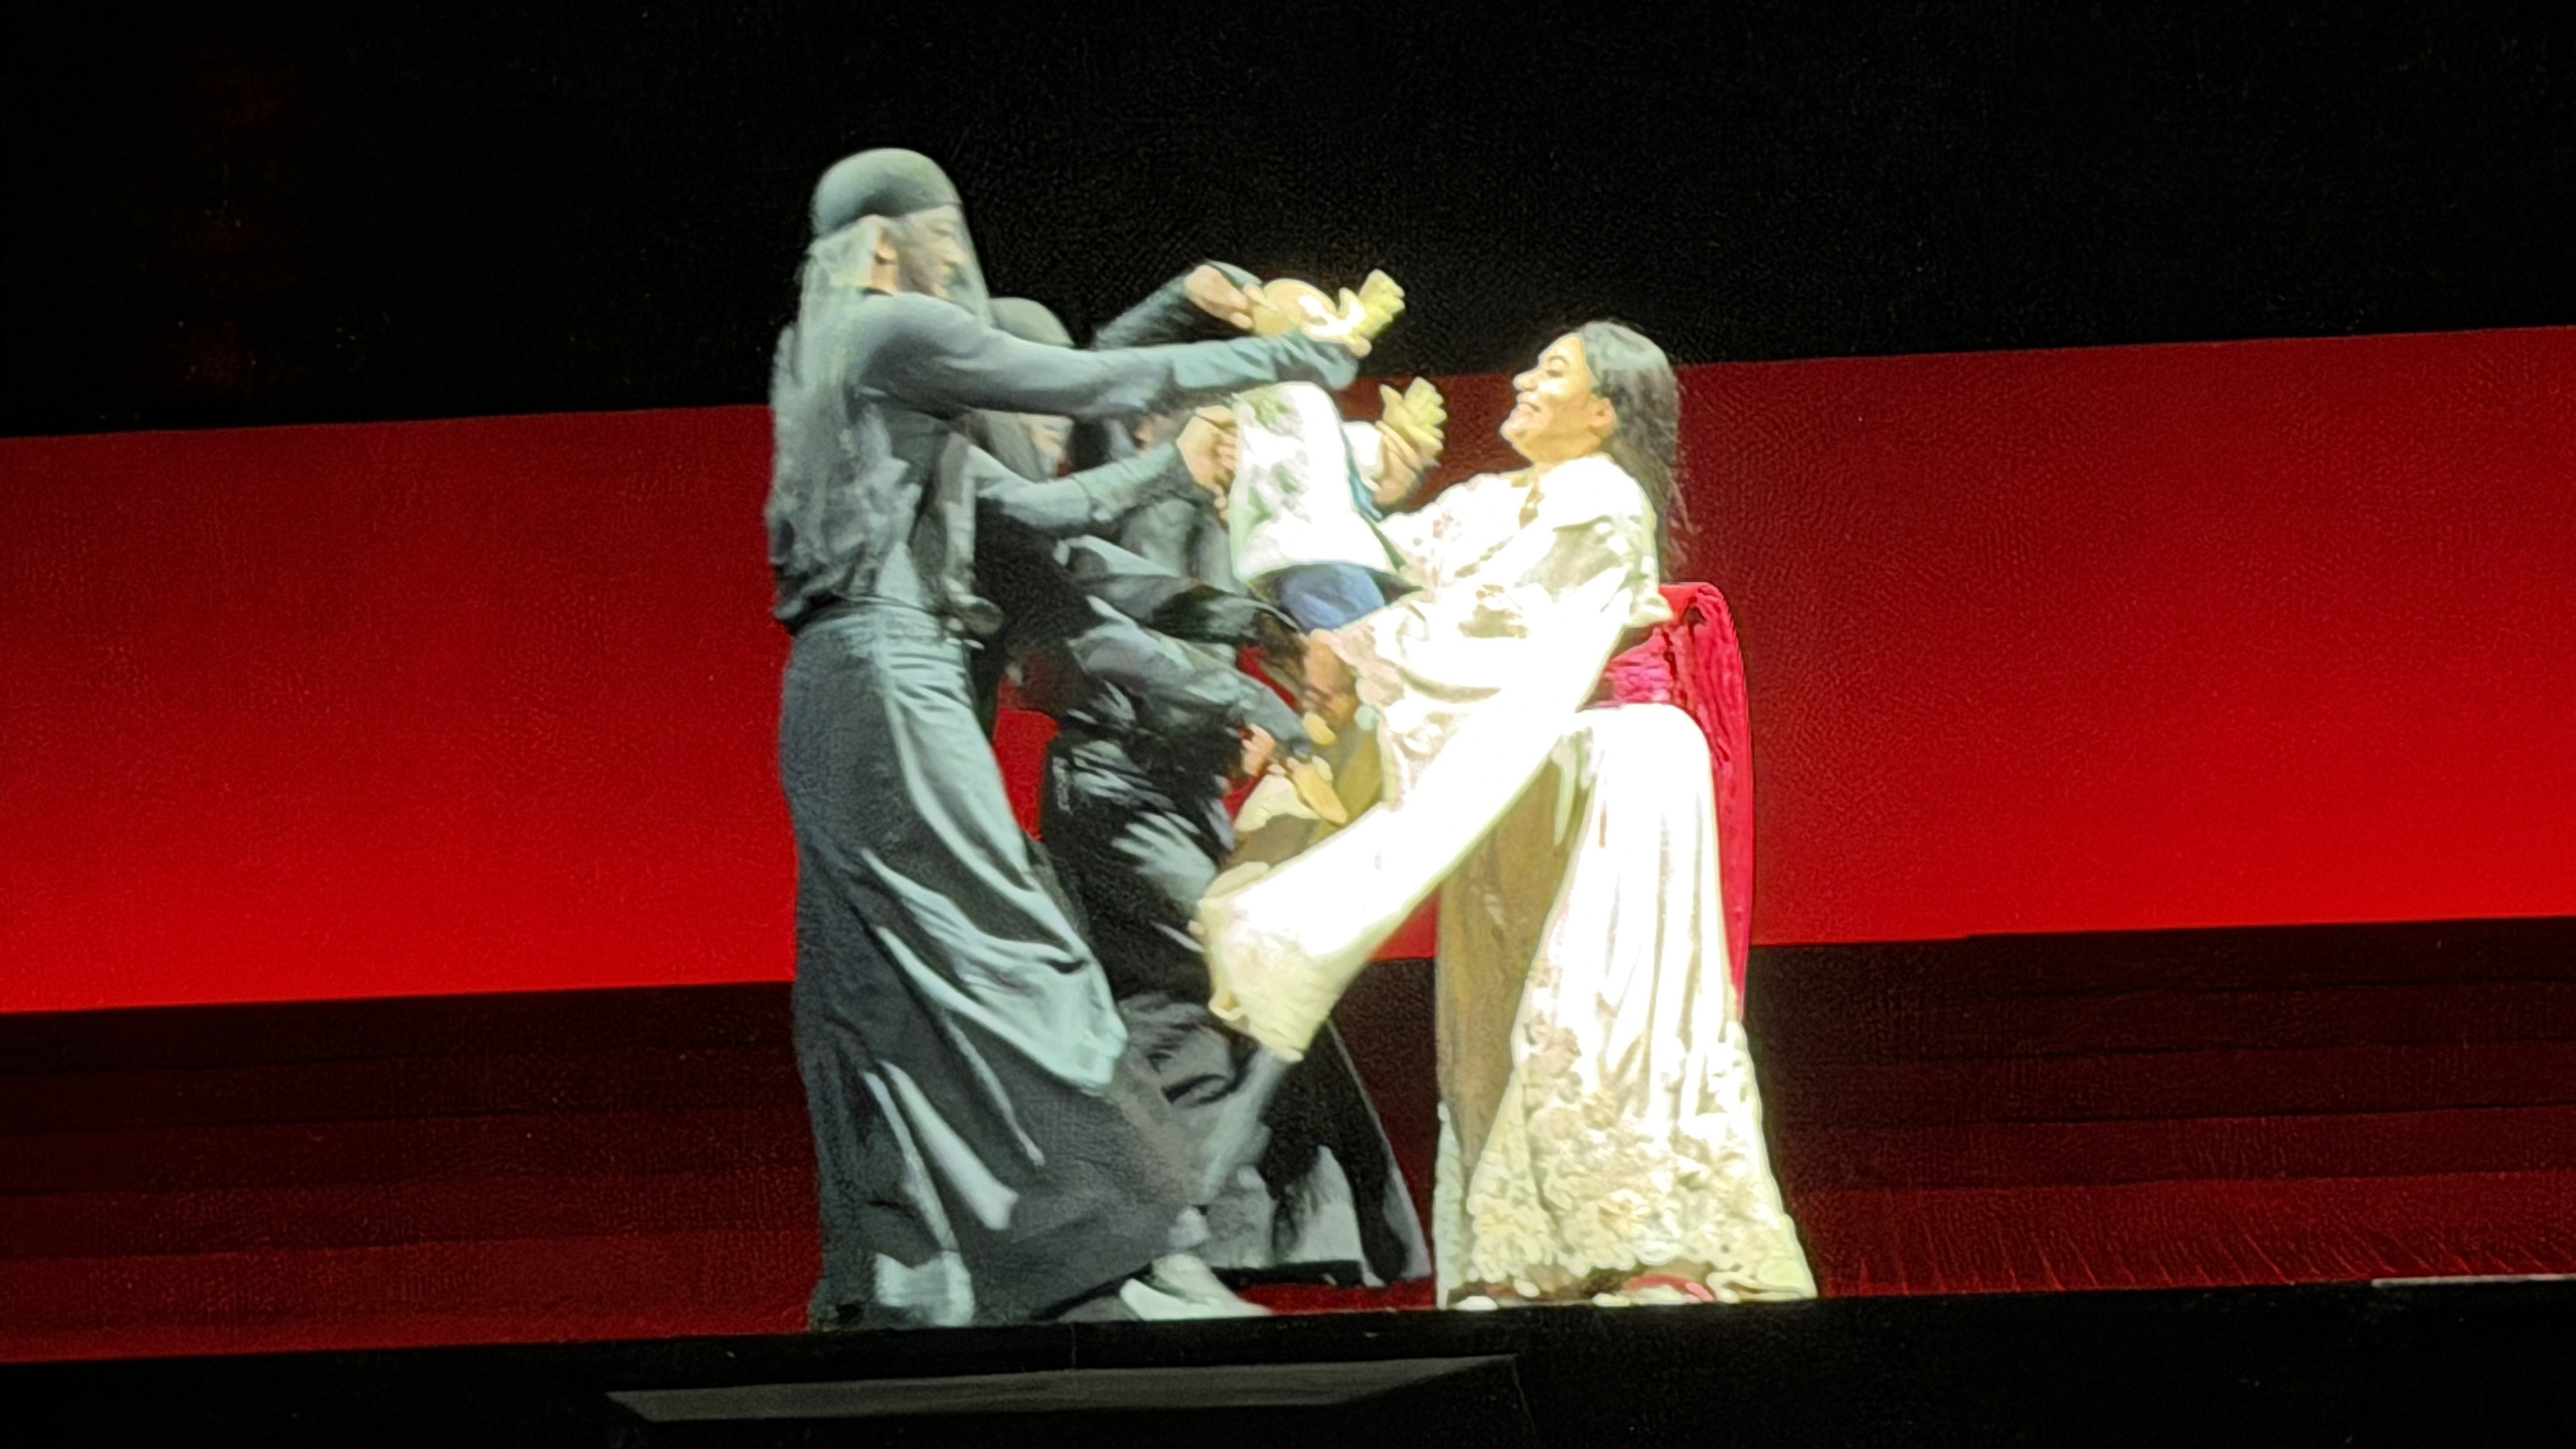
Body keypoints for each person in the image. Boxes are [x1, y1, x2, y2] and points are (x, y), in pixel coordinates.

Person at [765, 147, 1373, 1328]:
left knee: (876, 993)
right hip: (891, 679)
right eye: (945, 237)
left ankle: (915, 1279)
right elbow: (1083, 380)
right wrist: (1292, 356)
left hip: (838, 696)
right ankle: (1123, 1252)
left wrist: (1238, 616)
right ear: (884, 244)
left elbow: (1050, 524)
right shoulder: (888, 330)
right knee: (1023, 952)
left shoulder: (838, 368)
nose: (959, 264)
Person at [1197, 324, 1818, 1309]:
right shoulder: (1484, 502)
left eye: (1553, 371)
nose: (1524, 379)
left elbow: (1495, 623)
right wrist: (1279, 467)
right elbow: (1374, 559)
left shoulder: (1602, 503)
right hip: (1512, 772)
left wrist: (1356, 643)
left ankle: (1654, 1243)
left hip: (1615, 769)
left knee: (1603, 1007)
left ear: (1602, 411)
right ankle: (1527, 1259)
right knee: (1502, 1013)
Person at [979, 295, 1431, 1292]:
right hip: (1112, 779)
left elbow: (1216, 595)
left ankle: (1220, 1243)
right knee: (1248, 963)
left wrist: (1272, 646)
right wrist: (1195, 295)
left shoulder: (1227, 481)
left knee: (1174, 1010)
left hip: (1187, 784)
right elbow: (1099, 622)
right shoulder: (1082, 478)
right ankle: (1177, 1230)